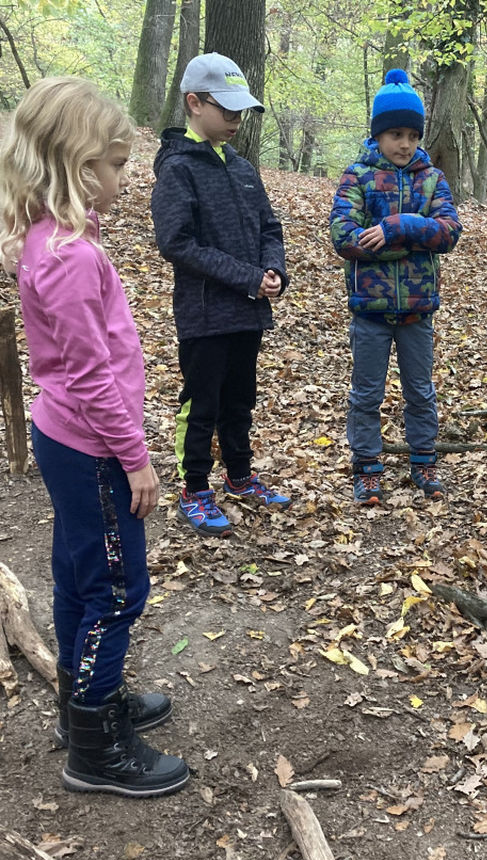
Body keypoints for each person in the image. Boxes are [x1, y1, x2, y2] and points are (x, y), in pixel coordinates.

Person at [0, 77, 189, 797]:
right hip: (93, 447)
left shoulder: (52, 240)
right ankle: (95, 746)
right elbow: (89, 375)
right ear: (77, 168)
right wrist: (135, 459)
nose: (124, 178)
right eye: (115, 164)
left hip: (65, 437)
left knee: (81, 577)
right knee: (115, 589)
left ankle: (86, 702)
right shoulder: (69, 257)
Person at [151, 52, 290, 537]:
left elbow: (270, 227)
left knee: (239, 399)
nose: (235, 120)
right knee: (201, 403)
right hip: (205, 315)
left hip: (248, 312)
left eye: (240, 112)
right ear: (194, 103)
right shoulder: (178, 168)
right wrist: (246, 277)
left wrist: (272, 270)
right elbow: (177, 244)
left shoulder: (242, 168)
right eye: (227, 110)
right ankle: (194, 488)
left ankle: (239, 475)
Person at [329, 69, 462, 505]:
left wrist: (397, 227)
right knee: (367, 392)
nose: (405, 144)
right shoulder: (358, 176)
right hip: (370, 308)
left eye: (412, 135)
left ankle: (424, 460)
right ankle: (367, 466)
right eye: (395, 134)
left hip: (417, 310)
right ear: (378, 134)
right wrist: (409, 245)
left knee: (420, 391)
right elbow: (344, 236)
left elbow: (449, 233)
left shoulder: (432, 178)